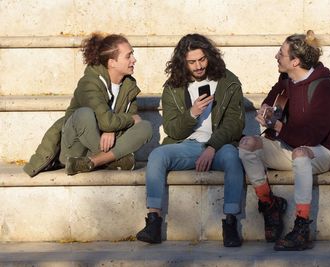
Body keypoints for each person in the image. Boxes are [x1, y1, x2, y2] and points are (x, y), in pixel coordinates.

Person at [238, 30, 330, 251]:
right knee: (246, 145)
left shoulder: (323, 88)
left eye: (281, 53)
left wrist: (278, 126)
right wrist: (267, 112)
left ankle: (302, 226)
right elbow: (271, 101)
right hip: (290, 144)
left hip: (323, 151)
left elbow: (311, 138)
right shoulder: (286, 82)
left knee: (300, 154)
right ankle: (270, 204)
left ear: (295, 61)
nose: (276, 57)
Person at [135, 33, 245, 247]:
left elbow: (235, 123)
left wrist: (212, 146)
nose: (198, 66)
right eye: (192, 62)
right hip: (187, 146)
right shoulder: (173, 87)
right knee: (157, 154)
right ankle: (154, 221)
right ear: (182, 62)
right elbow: (172, 129)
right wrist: (192, 113)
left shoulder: (228, 81)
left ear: (210, 57)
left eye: (202, 59)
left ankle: (230, 222)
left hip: (220, 145)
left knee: (233, 157)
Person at [23, 32, 152, 177]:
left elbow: (118, 120)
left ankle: (92, 162)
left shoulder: (129, 85)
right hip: (76, 148)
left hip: (104, 145)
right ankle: (111, 160)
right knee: (84, 114)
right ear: (112, 62)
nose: (134, 60)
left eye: (132, 54)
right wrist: (125, 121)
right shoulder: (89, 83)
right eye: (128, 56)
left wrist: (112, 128)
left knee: (145, 127)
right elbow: (122, 119)